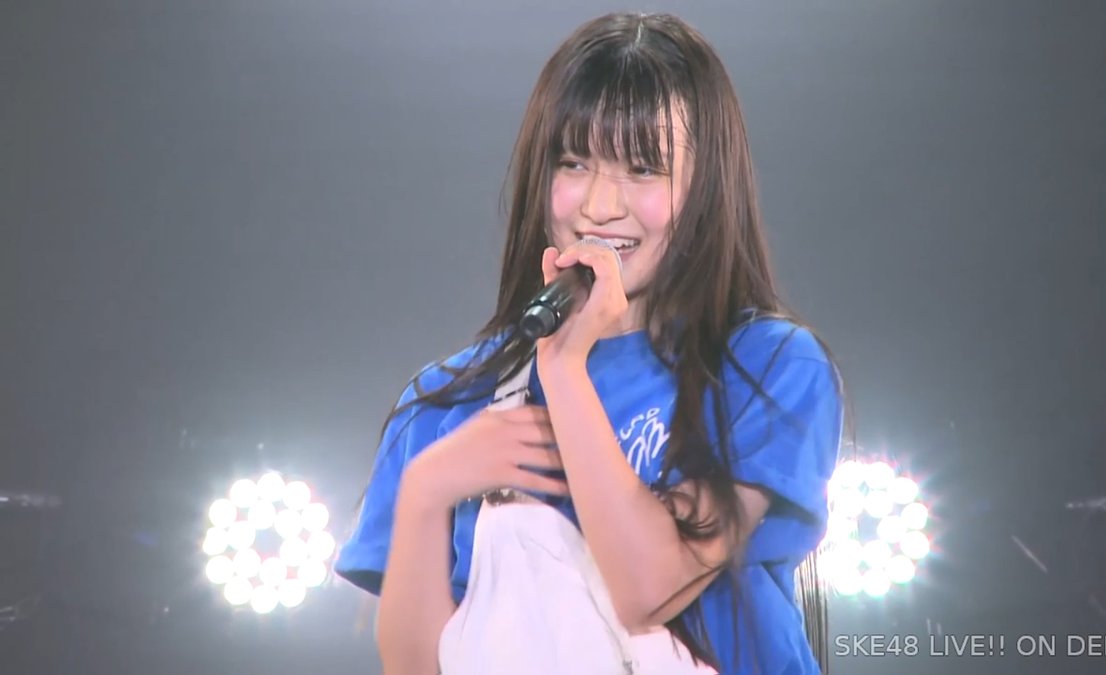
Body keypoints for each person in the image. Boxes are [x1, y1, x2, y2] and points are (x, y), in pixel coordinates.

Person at [335, 11, 846, 675]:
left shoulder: (768, 367)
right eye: (574, 162)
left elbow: (647, 587)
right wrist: (426, 490)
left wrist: (564, 367)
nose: (600, 205)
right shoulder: (442, 403)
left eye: (643, 168)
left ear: (709, 184)